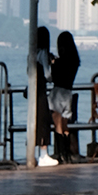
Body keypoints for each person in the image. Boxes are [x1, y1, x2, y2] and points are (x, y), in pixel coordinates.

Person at [49, 30, 81, 163]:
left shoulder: (59, 63)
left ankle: (61, 153)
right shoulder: (74, 61)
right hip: (68, 94)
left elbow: (53, 77)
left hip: (57, 93)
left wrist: (52, 63)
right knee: (66, 125)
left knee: (57, 125)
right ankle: (67, 153)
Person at [33, 25, 57, 166]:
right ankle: (43, 154)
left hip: (34, 90)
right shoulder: (43, 53)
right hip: (41, 91)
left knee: (35, 120)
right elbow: (47, 75)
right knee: (44, 120)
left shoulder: (32, 53)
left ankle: (35, 153)